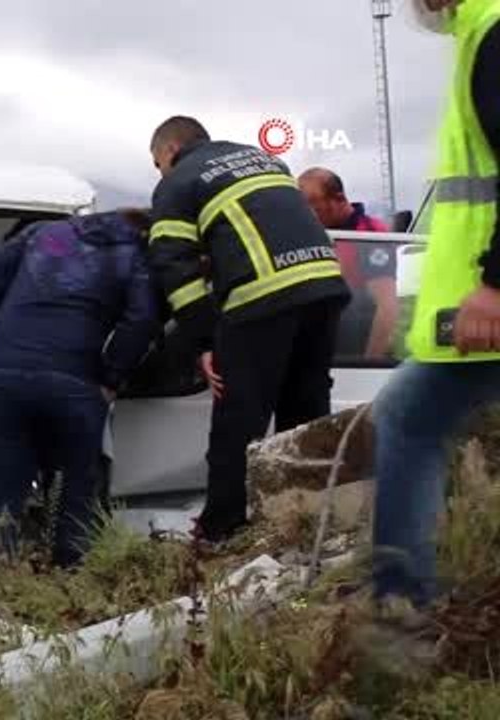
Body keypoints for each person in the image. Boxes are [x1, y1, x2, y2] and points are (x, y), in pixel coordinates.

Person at [147, 116, 351, 543]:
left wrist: (201, 341)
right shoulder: (263, 160)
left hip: (263, 296)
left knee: (239, 421)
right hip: (325, 287)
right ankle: (310, 523)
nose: (158, 171)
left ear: (169, 150)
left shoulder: (178, 181)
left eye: (156, 162)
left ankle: (222, 530)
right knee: (306, 416)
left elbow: (173, 268)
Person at [372, 0, 500, 609]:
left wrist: (496, 284)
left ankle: (400, 606)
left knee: (405, 417)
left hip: (491, 302)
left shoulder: (492, 33)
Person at [0, 210, 159, 567]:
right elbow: (142, 319)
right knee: (74, 492)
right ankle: (70, 587)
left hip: (5, 374)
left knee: (1, 495)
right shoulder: (133, 253)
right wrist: (111, 377)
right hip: (74, 381)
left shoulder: (44, 234)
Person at [299, 167, 400, 360]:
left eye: (313, 203)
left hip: (355, 344)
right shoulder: (316, 233)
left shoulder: (368, 234)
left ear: (339, 199)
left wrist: (369, 363)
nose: (307, 213)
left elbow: (387, 307)